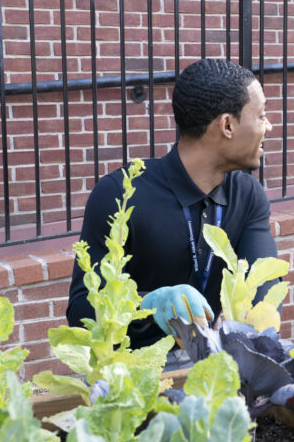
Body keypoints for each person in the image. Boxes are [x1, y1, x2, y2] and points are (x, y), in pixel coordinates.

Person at [66, 58, 277, 362]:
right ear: (227, 125)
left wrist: (245, 326)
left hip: (216, 365)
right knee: (40, 389)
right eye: (261, 116)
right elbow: (81, 311)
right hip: (131, 371)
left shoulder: (248, 196)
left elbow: (263, 285)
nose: (267, 126)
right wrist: (147, 303)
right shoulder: (121, 195)